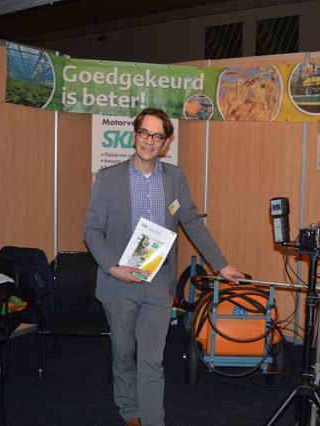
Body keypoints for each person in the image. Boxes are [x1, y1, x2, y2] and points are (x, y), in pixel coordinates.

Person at [83, 107, 244, 426]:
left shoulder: (175, 177)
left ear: (165, 143)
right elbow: (92, 231)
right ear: (134, 135)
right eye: (145, 133)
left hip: (158, 284)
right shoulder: (108, 178)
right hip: (119, 282)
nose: (149, 141)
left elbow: (191, 222)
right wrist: (113, 267)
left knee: (152, 360)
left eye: (157, 136)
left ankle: (153, 420)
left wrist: (221, 265)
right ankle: (129, 410)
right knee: (124, 354)